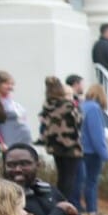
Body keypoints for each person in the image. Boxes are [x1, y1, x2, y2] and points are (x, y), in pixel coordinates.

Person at [39, 76, 81, 206]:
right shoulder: (68, 105)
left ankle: (57, 203)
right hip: (70, 145)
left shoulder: (47, 105)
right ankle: (64, 205)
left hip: (55, 146)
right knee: (69, 178)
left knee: (61, 177)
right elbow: (78, 121)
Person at [77, 84, 108, 215]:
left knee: (82, 181)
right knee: (91, 181)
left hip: (80, 148)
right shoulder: (94, 108)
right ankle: (92, 209)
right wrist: (104, 153)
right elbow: (96, 133)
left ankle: (84, 207)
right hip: (91, 151)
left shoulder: (82, 106)